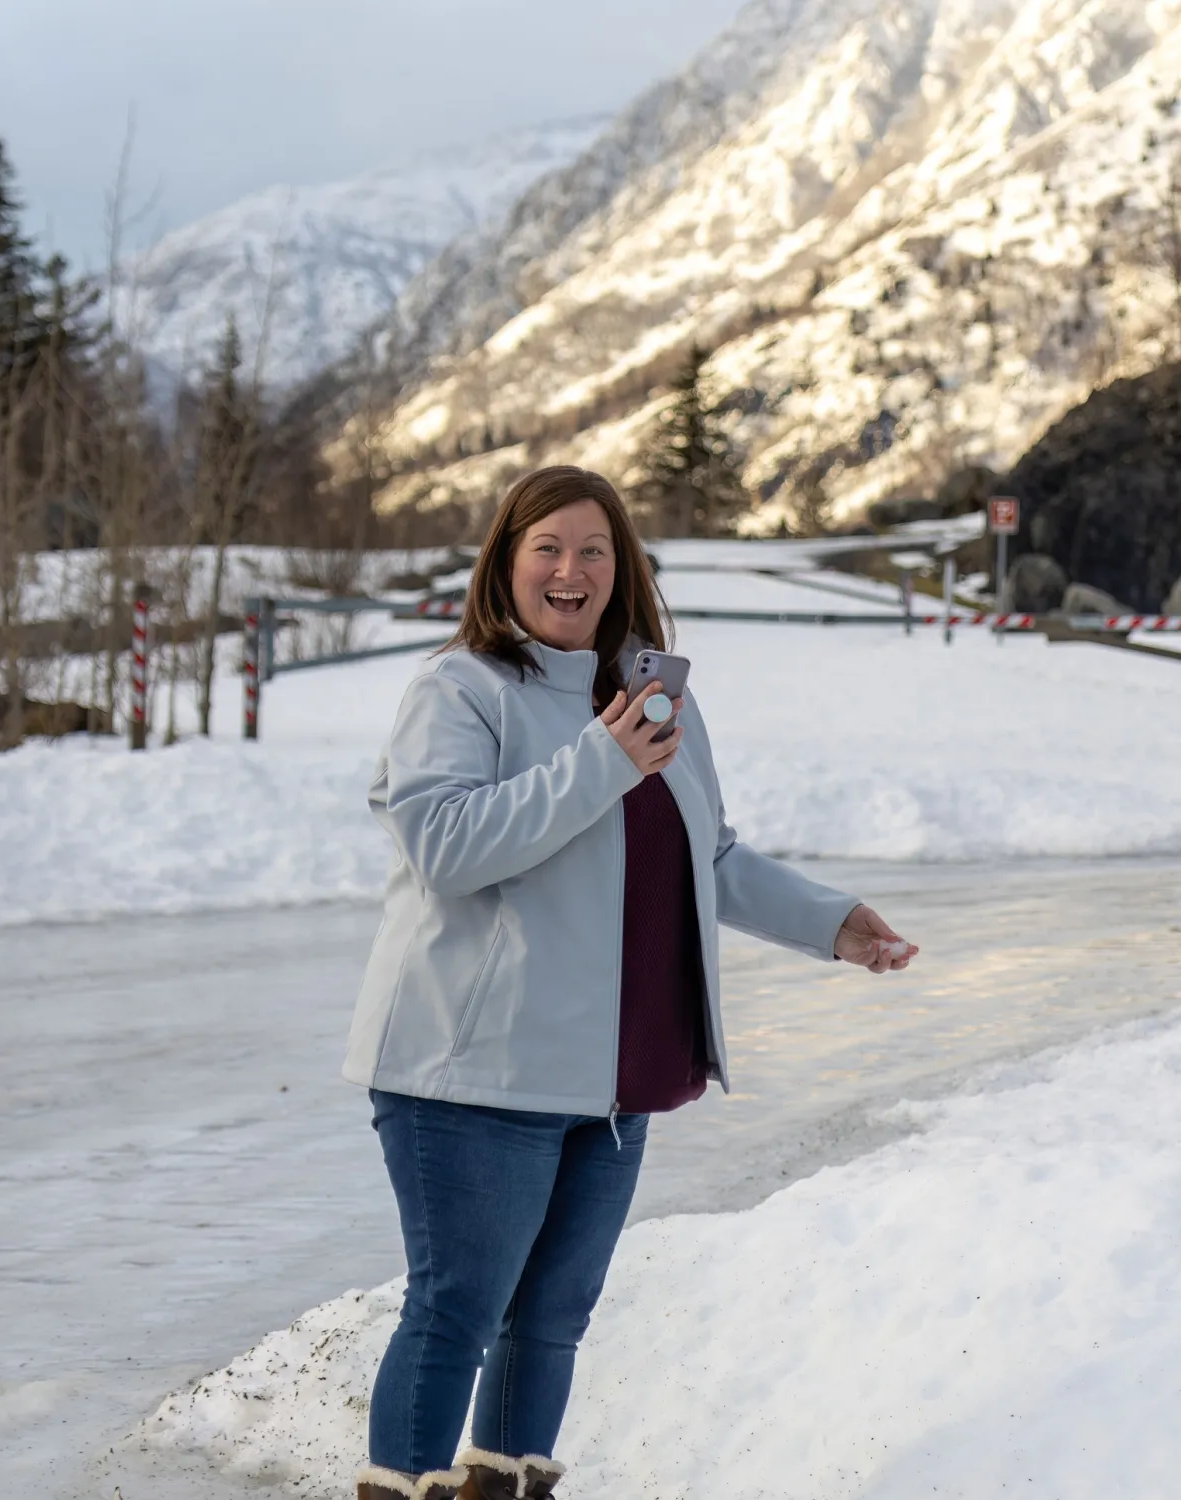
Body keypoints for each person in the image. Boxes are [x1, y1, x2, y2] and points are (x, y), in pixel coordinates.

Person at [344, 466, 918, 1500]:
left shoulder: (653, 704)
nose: (572, 570)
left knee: (552, 1317)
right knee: (457, 1311)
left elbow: (715, 859)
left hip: (609, 1073)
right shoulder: (460, 691)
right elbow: (447, 846)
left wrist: (831, 923)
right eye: (548, 549)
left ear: (624, 572)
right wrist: (601, 761)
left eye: (595, 550)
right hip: (473, 1073)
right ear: (506, 564)